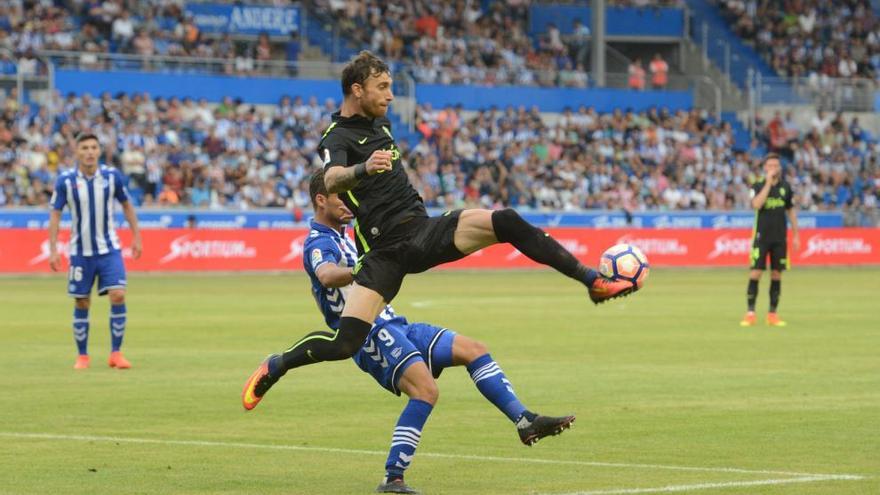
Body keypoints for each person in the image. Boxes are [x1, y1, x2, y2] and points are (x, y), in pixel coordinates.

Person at [243, 51, 637, 384]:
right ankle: (275, 366)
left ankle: (592, 281)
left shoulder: (380, 122)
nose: (391, 96)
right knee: (343, 345)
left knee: (507, 220)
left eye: (391, 87)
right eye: (383, 88)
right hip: (384, 253)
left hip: (422, 230)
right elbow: (331, 178)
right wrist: (364, 169)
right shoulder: (337, 137)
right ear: (357, 90)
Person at [243, 170, 574, 493]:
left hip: (393, 321)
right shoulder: (318, 241)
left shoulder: (350, 234)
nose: (349, 203)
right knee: (426, 391)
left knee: (473, 349)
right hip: (369, 334)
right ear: (320, 200)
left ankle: (524, 420)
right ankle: (393, 477)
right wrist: (363, 267)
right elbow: (328, 275)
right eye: (341, 197)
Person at [48, 133, 142, 369]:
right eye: (84, 148)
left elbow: (127, 205)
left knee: (118, 294)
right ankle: (83, 356)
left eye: (93, 147)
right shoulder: (65, 181)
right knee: (82, 302)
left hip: (109, 249)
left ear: (99, 151)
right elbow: (55, 214)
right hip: (80, 251)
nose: (89, 152)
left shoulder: (112, 177)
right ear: (76, 151)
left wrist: (136, 236)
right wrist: (53, 249)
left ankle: (116, 353)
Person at [740, 154, 799, 327]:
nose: (773, 168)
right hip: (761, 237)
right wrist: (767, 183)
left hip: (780, 238)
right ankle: (750, 313)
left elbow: (791, 212)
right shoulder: (758, 185)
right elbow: (757, 204)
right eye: (770, 165)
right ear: (765, 168)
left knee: (776, 274)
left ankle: (772, 314)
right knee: (756, 273)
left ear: (779, 167)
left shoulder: (786, 187)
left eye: (776, 165)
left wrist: (796, 235)